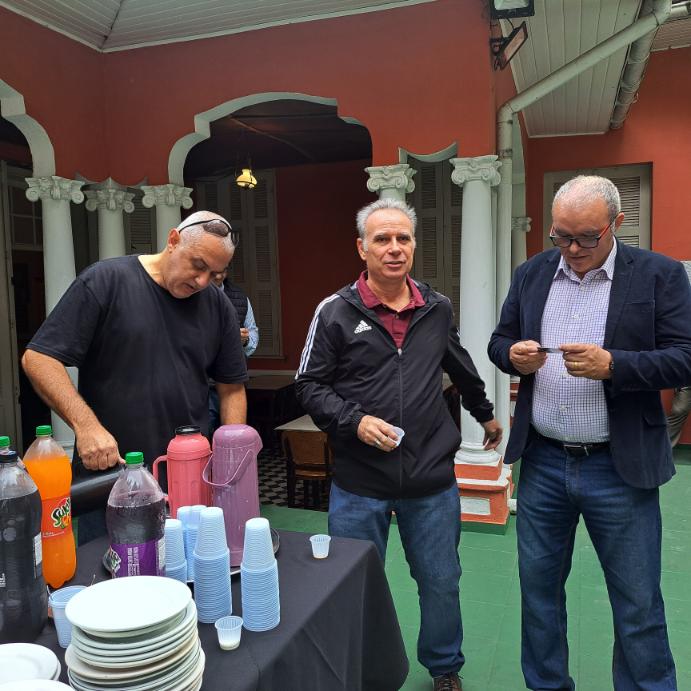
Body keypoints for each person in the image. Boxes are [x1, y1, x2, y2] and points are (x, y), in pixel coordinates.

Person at [488, 175, 691, 691]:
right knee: (538, 596)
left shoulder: (659, 275)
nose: (573, 249)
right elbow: (499, 340)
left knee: (637, 603)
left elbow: (684, 357)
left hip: (619, 467)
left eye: (585, 237)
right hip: (543, 462)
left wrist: (615, 365)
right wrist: (512, 355)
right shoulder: (532, 273)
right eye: (562, 236)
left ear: (616, 224)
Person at [295, 198, 502, 691]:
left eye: (403, 238)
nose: (394, 248)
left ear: (413, 245)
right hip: (359, 481)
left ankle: (444, 667)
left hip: (430, 478)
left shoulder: (435, 307)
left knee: (441, 581)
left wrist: (485, 412)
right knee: (352, 585)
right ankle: (360, 669)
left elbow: (459, 364)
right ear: (361, 248)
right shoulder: (334, 312)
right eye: (382, 239)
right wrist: (355, 421)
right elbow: (308, 385)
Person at [22, 211, 248, 538]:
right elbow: (39, 358)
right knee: (107, 567)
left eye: (214, 274)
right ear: (173, 240)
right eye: (198, 265)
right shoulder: (105, 281)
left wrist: (228, 458)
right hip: (110, 477)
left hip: (187, 476)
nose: (202, 281)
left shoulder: (218, 305)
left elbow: (232, 389)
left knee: (187, 565)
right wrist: (86, 427)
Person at [208, 267, 259, 432]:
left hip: (233, 383)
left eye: (223, 271)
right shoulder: (191, 295)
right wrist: (227, 337)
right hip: (202, 386)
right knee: (204, 437)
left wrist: (244, 341)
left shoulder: (240, 298)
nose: (218, 276)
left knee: (232, 438)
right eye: (213, 271)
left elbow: (253, 335)